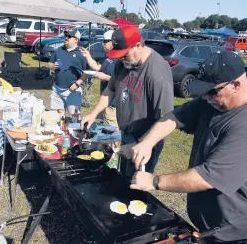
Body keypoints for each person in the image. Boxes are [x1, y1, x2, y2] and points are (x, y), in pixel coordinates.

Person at [129, 51, 247, 243]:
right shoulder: (213, 101)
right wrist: (147, 142)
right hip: (215, 227)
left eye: (211, 91)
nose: (205, 98)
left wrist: (154, 181)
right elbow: (175, 116)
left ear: (236, 85)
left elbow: (207, 177)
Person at [81, 26, 174, 175]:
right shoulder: (123, 63)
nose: (121, 59)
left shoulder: (157, 74)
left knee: (135, 183)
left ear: (138, 45)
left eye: (124, 55)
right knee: (123, 174)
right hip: (127, 131)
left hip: (146, 138)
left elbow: (167, 119)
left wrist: (140, 144)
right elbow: (110, 90)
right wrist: (93, 113)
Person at [79, 30, 118, 127]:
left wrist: (106, 77)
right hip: (103, 101)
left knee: (111, 133)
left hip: (113, 103)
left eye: (105, 41)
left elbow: (123, 81)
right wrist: (88, 56)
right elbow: (98, 67)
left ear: (112, 42)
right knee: (101, 128)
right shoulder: (108, 56)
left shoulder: (120, 59)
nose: (102, 44)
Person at [48, 28, 88, 116]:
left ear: (76, 40)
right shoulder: (59, 50)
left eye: (69, 36)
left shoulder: (81, 53)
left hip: (73, 90)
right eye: (65, 36)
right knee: (59, 115)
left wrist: (77, 84)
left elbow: (87, 72)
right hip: (57, 89)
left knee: (75, 115)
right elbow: (50, 64)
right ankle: (62, 129)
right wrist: (52, 66)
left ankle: (76, 129)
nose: (66, 38)